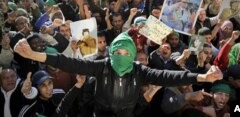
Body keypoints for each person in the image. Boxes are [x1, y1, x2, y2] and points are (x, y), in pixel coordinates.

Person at [14, 32, 223, 117]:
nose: (121, 57)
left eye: (126, 53)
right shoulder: (101, 66)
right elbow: (67, 62)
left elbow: (169, 76)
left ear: (132, 55)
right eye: (117, 52)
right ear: (111, 52)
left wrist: (201, 78)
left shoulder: (139, 71)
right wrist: (34, 54)